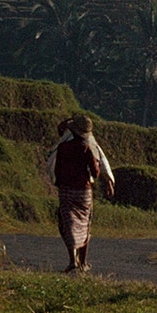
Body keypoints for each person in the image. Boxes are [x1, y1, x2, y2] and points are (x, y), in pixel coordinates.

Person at [44, 114, 113, 273]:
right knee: (84, 224)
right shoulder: (88, 148)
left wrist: (60, 183)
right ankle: (83, 262)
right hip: (84, 192)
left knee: (68, 224)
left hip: (66, 190)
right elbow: (96, 173)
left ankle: (72, 260)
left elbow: (58, 168)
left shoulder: (63, 147)